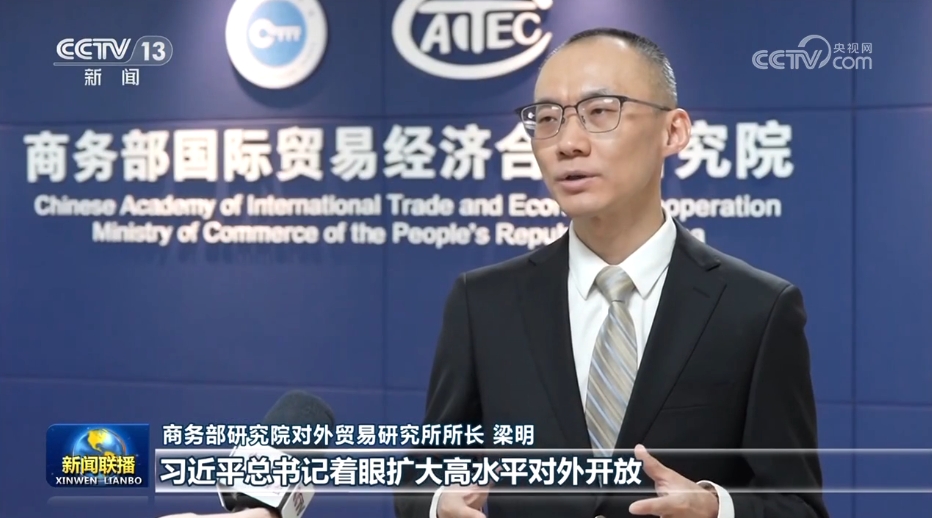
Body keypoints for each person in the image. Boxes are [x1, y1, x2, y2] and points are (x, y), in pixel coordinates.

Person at [393, 27, 829, 518]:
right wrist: (437, 504)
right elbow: (424, 476)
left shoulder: (756, 309)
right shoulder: (484, 303)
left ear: (673, 131)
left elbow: (798, 506)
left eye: (600, 112)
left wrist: (717, 509)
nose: (567, 143)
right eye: (547, 118)